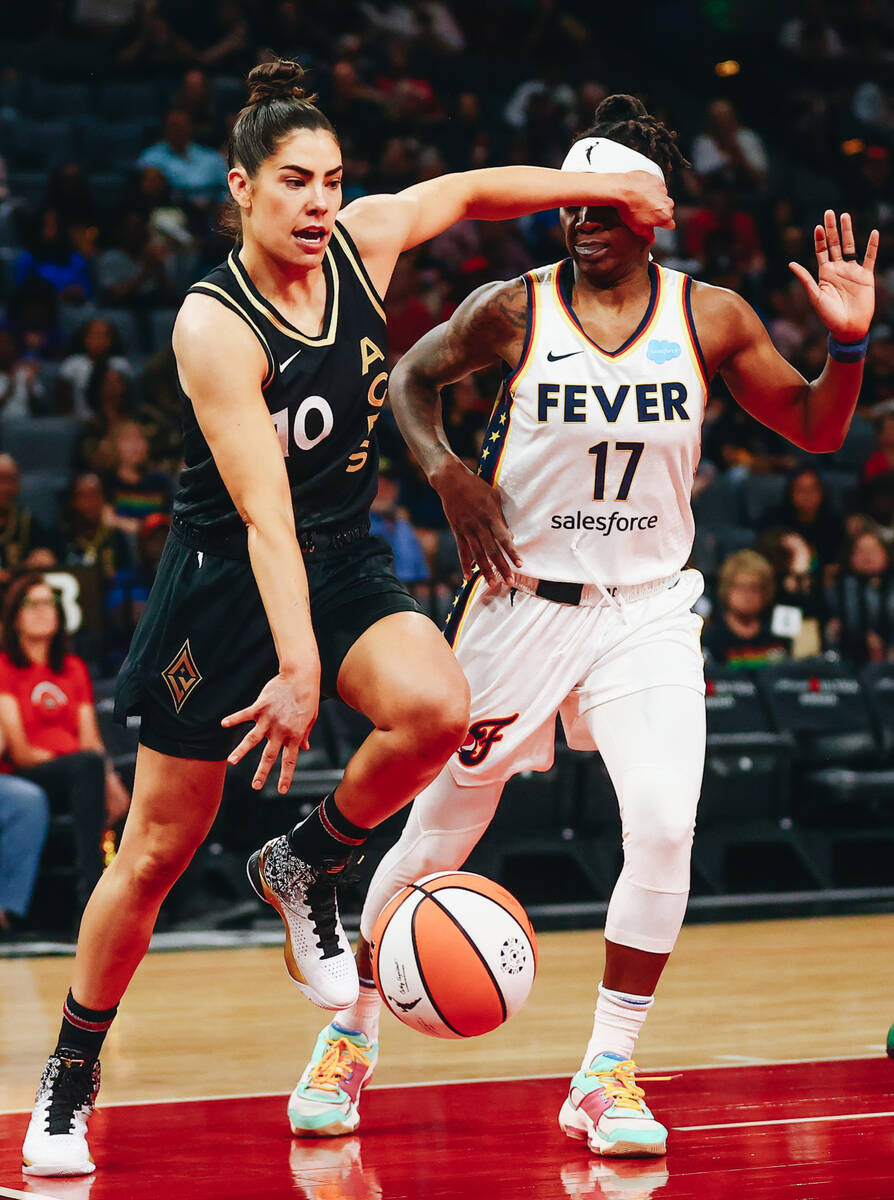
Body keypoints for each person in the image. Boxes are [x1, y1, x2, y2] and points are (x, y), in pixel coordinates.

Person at [20, 60, 673, 1178]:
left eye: (329, 179)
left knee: (435, 707)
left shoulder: (365, 241)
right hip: (223, 578)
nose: (319, 202)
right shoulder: (212, 326)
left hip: (341, 556)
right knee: (157, 854)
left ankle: (302, 863)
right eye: (292, 182)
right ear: (241, 188)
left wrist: (611, 187)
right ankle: (68, 1079)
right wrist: (296, 661)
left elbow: (467, 192)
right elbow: (264, 516)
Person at [285, 94, 878, 1158]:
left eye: (605, 199)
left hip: (645, 611)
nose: (581, 215)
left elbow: (818, 430)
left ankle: (607, 1072)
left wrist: (849, 344)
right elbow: (414, 378)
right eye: (573, 197)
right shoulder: (514, 307)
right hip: (519, 603)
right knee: (436, 834)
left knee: (659, 824)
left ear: (650, 212)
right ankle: (350, 1031)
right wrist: (447, 472)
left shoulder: (713, 316)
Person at [0, 575, 130, 915]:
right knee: (86, 767)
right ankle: (91, 901)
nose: (44, 612)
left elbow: (90, 738)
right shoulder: (5, 668)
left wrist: (110, 777)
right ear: (15, 617)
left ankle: (154, 902)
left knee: (139, 776)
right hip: (30, 772)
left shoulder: (73, 669)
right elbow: (20, 751)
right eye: (33, 604)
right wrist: (86, 766)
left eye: (50, 604)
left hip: (80, 772)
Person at [702, 549, 794, 668]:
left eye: (754, 588)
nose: (747, 595)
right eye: (741, 587)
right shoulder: (711, 637)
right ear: (726, 589)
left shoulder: (778, 634)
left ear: (766, 591)